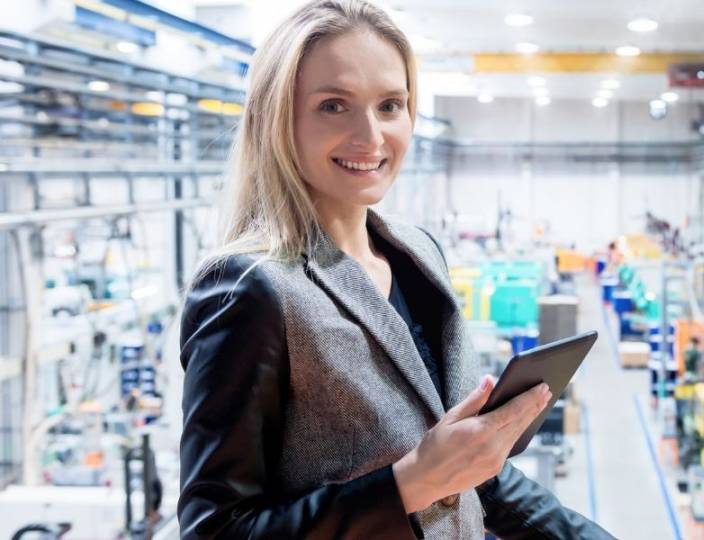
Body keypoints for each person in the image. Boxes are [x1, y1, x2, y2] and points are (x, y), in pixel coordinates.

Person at [176, 1, 615, 538]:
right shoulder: (250, 288)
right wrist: (409, 483)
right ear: (277, 117)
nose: (371, 136)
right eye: (334, 105)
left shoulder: (418, 254)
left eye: (390, 105)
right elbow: (214, 529)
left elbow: (478, 479)